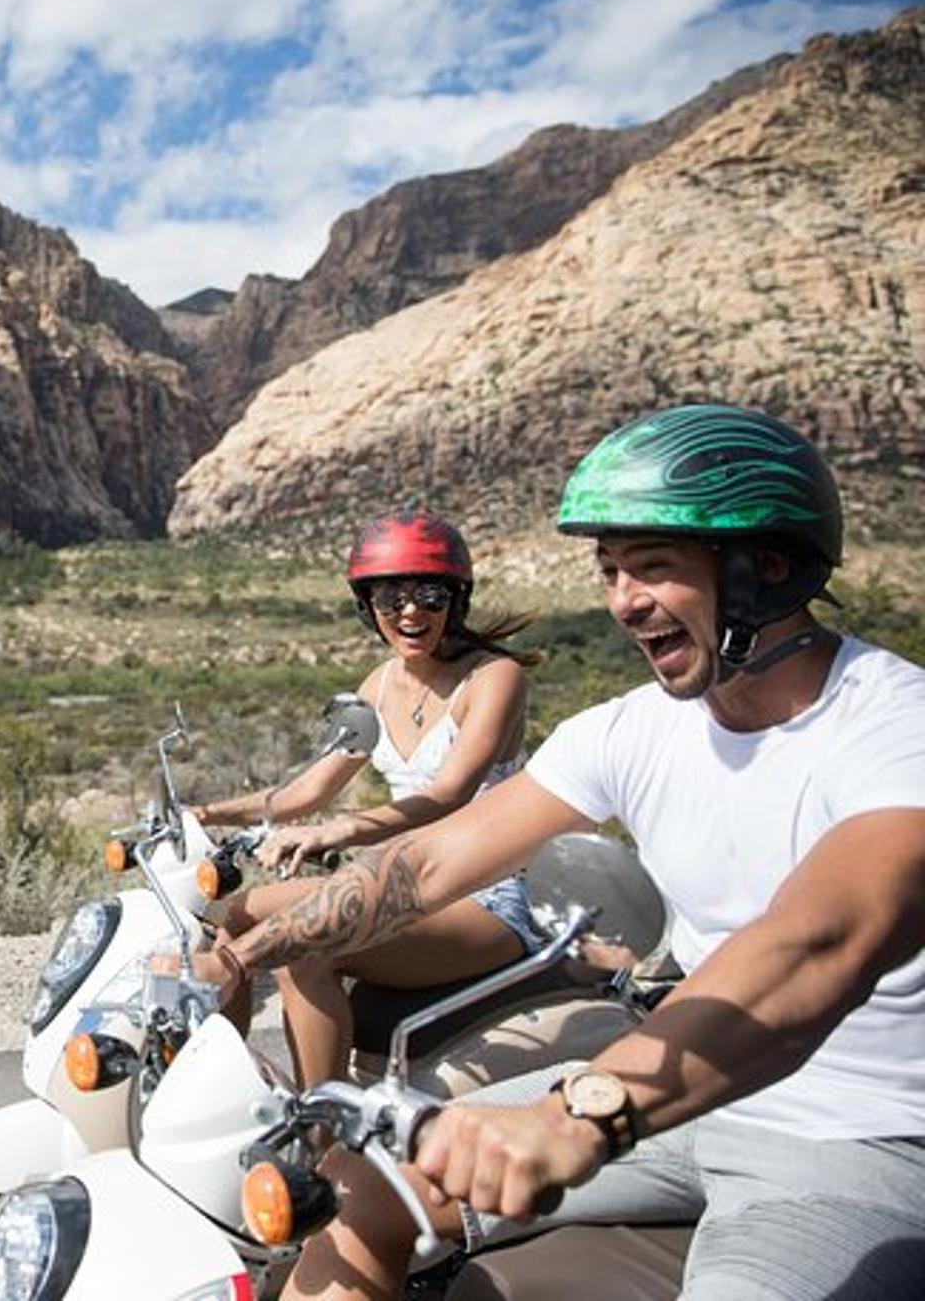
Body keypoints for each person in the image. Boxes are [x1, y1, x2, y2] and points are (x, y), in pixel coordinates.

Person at [185, 404, 925, 1300]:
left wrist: (580, 1112)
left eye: (652, 567)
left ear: (766, 565)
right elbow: (431, 862)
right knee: (354, 1191)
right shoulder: (634, 730)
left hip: (856, 1137)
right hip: (678, 1096)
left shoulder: (895, 730)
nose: (622, 600)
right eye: (610, 570)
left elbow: (816, 940)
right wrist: (248, 948)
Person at [193, 509, 545, 1087]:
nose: (410, 611)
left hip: (485, 895)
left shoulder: (494, 678)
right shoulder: (376, 687)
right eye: (390, 598)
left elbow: (451, 792)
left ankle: (324, 1134)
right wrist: (205, 813)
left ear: (456, 599)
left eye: (430, 594)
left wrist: (341, 830)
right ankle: (232, 1092)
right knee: (233, 916)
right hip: (407, 881)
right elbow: (311, 789)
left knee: (310, 949)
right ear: (368, 607)